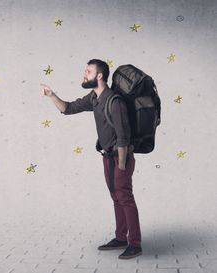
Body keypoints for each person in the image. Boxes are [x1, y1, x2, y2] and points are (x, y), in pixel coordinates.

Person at [41, 59, 142, 259]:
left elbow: (123, 137)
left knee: (125, 198)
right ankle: (121, 238)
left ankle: (135, 243)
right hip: (108, 157)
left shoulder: (115, 101)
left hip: (120, 157)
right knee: (116, 198)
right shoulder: (94, 98)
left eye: (88, 71)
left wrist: (121, 165)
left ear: (99, 76)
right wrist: (52, 95)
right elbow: (67, 108)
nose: (84, 74)